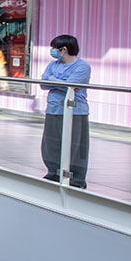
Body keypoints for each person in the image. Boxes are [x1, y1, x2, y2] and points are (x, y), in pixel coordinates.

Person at [41, 34, 91, 189]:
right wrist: (60, 83)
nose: (53, 51)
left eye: (55, 48)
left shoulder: (82, 67)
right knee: (51, 143)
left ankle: (76, 178)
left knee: (75, 145)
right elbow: (43, 83)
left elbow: (71, 85)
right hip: (54, 108)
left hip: (75, 111)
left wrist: (53, 81)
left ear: (64, 49)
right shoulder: (53, 64)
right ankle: (54, 172)